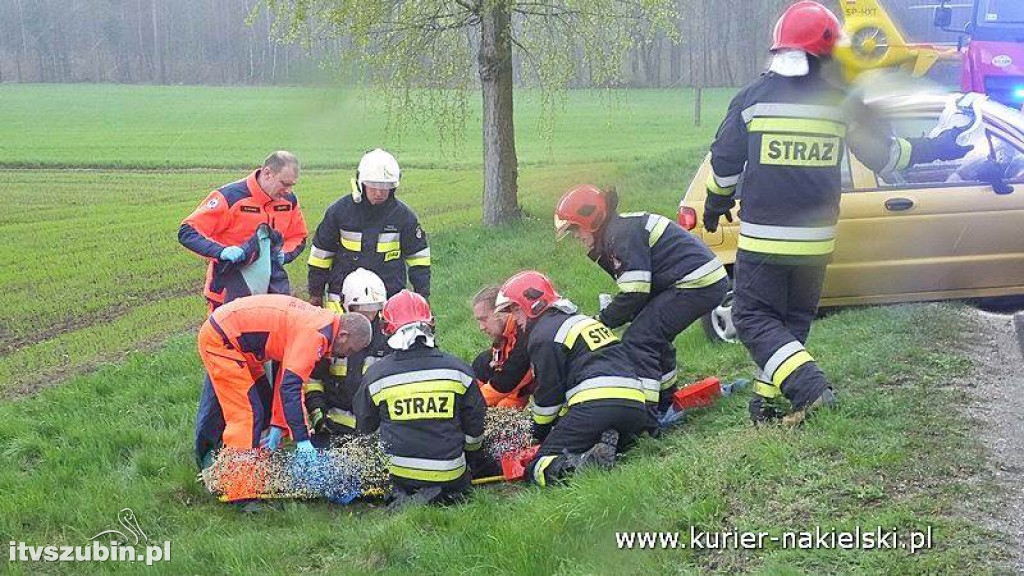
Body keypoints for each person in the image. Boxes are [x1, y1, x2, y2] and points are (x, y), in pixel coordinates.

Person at [702, 1, 973, 425]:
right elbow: (886, 155)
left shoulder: (753, 99)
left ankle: (811, 389)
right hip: (816, 242)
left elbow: (724, 164)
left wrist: (715, 204)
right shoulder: (841, 100)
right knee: (791, 323)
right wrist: (939, 146)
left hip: (764, 239)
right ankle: (767, 405)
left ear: (781, 48)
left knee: (753, 318)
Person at [555, 185, 728, 418]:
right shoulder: (617, 231)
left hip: (696, 284)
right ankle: (666, 400)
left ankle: (646, 414)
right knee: (653, 334)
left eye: (575, 229)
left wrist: (601, 322)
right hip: (698, 280)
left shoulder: (620, 236)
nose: (575, 236)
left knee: (639, 339)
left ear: (592, 219)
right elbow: (637, 292)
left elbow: (634, 293)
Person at [494, 271, 655, 487]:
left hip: (596, 406)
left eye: (515, 309)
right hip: (634, 407)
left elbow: (549, 398)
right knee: (599, 443)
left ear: (531, 305)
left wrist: (537, 436)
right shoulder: (581, 321)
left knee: (538, 467)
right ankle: (599, 447)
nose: (515, 318)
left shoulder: (543, 335)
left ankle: (579, 467)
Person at [193, 294, 372, 468]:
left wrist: (278, 424)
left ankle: (257, 463)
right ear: (343, 335)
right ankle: (238, 482)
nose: (345, 355)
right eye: (348, 350)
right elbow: (290, 387)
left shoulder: (322, 324)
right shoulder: (314, 335)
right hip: (222, 342)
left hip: (238, 344)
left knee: (262, 405)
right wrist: (302, 439)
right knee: (247, 414)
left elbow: (285, 376)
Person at [353, 290, 488, 506]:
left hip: (400, 478)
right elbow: (475, 430)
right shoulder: (459, 371)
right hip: (451, 478)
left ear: (387, 329)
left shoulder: (376, 375)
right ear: (431, 324)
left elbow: (365, 428)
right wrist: (472, 459)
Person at [179, 151, 308, 313]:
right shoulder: (230, 197)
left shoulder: (289, 201)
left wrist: (284, 254)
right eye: (285, 183)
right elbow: (187, 232)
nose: (288, 190)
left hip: (270, 294)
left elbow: (298, 236)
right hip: (227, 291)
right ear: (268, 173)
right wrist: (222, 252)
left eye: (292, 185)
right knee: (224, 338)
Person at [307, 148, 431, 308]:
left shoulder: (403, 217)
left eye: (385, 186)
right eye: (373, 185)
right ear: (361, 182)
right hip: (343, 299)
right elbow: (320, 256)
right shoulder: (339, 212)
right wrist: (315, 294)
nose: (379, 192)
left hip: (389, 298)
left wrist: (423, 297)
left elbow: (419, 260)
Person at [305, 268, 392, 442]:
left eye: (373, 308)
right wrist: (318, 415)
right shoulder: (330, 336)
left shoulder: (388, 340)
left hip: (375, 431)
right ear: (346, 305)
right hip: (331, 427)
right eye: (361, 308)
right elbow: (313, 379)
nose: (368, 314)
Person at [470, 285, 535, 409]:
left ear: (501, 311)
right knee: (482, 362)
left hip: (567, 395)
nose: (481, 327)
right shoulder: (504, 338)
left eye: (484, 319)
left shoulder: (524, 330)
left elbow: (512, 377)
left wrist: (471, 405)